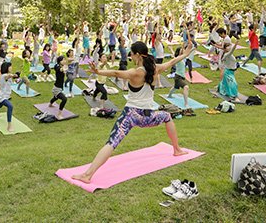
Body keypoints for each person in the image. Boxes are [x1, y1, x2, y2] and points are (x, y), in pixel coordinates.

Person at [72, 41, 192, 184]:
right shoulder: (155, 69)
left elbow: (116, 73)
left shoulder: (136, 72)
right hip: (148, 116)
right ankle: (177, 149)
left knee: (112, 142)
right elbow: (172, 61)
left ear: (137, 54)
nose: (131, 57)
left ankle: (88, 175)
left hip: (130, 116)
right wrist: (185, 54)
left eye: (132, 54)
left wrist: (98, 72)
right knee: (166, 116)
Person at [0, 62, 16, 132]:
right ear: (6, 68)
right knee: (10, 106)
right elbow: (7, 77)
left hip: (5, 95)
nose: (11, 68)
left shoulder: (5, 75)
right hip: (2, 97)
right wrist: (12, 75)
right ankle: (9, 126)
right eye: (9, 66)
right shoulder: (4, 76)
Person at [217, 36, 240, 101]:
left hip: (230, 71)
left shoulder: (227, 54)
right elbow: (232, 50)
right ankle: (235, 96)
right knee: (234, 84)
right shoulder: (227, 55)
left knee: (224, 83)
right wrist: (236, 43)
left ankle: (219, 88)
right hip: (228, 72)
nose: (230, 47)